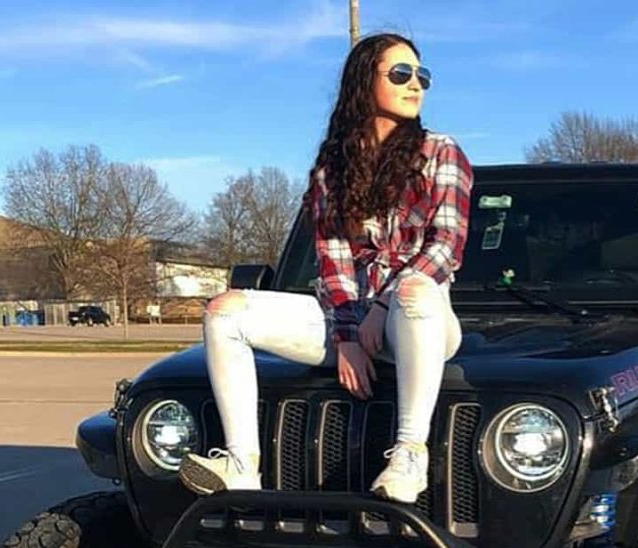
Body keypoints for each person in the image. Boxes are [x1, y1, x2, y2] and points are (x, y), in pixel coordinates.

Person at [179, 33, 473, 504]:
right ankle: (240, 464)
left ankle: (409, 454)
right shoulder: (331, 170)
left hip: (422, 323)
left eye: (422, 76)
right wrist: (348, 338)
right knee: (224, 310)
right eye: (400, 74)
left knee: (414, 289)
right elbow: (334, 261)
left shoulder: (441, 152)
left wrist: (380, 305)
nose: (415, 84)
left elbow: (445, 248)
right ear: (363, 82)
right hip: (347, 319)